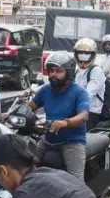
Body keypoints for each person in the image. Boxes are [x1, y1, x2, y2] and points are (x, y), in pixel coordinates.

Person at [31, 52, 90, 182]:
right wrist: (10, 114)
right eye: (51, 70)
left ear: (68, 73)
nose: (53, 74)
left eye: (58, 71)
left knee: (76, 182)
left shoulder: (80, 92)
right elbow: (31, 106)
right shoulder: (45, 90)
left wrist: (65, 123)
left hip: (72, 142)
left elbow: (84, 116)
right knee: (29, 168)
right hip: (48, 139)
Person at [74, 37, 107, 121]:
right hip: (77, 111)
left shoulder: (96, 71)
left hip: (91, 112)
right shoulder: (77, 71)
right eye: (80, 53)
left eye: (86, 53)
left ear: (92, 55)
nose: (83, 55)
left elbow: (87, 95)